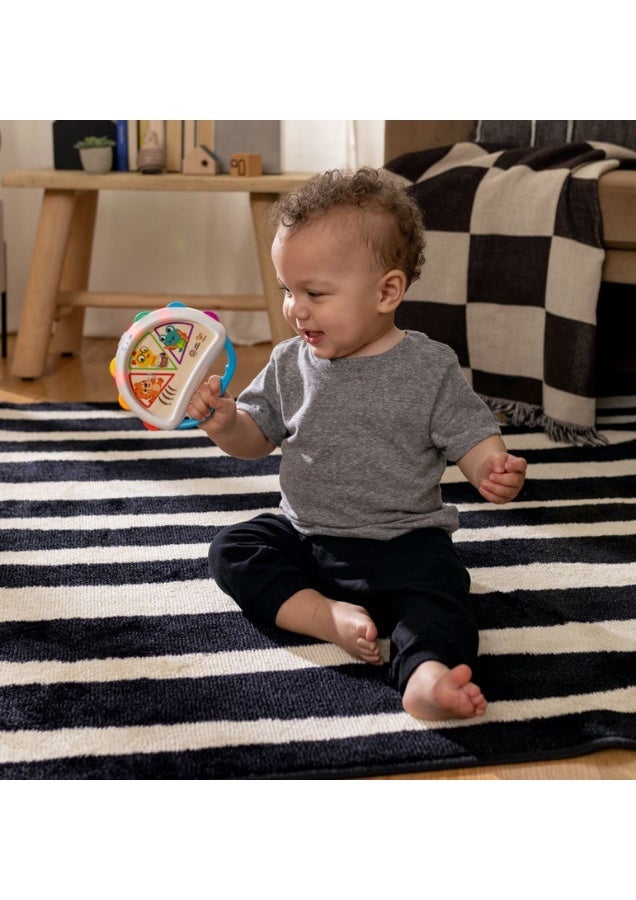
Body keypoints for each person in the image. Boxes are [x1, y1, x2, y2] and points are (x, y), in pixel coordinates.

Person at [187, 167, 527, 721]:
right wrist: (226, 424)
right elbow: (255, 437)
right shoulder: (287, 363)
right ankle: (325, 617)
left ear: (387, 291)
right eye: (287, 291)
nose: (295, 308)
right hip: (304, 533)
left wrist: (490, 465)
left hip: (403, 541)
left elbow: (471, 433)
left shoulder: (427, 366)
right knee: (233, 550)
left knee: (441, 596)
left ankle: (426, 677)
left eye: (314, 293)